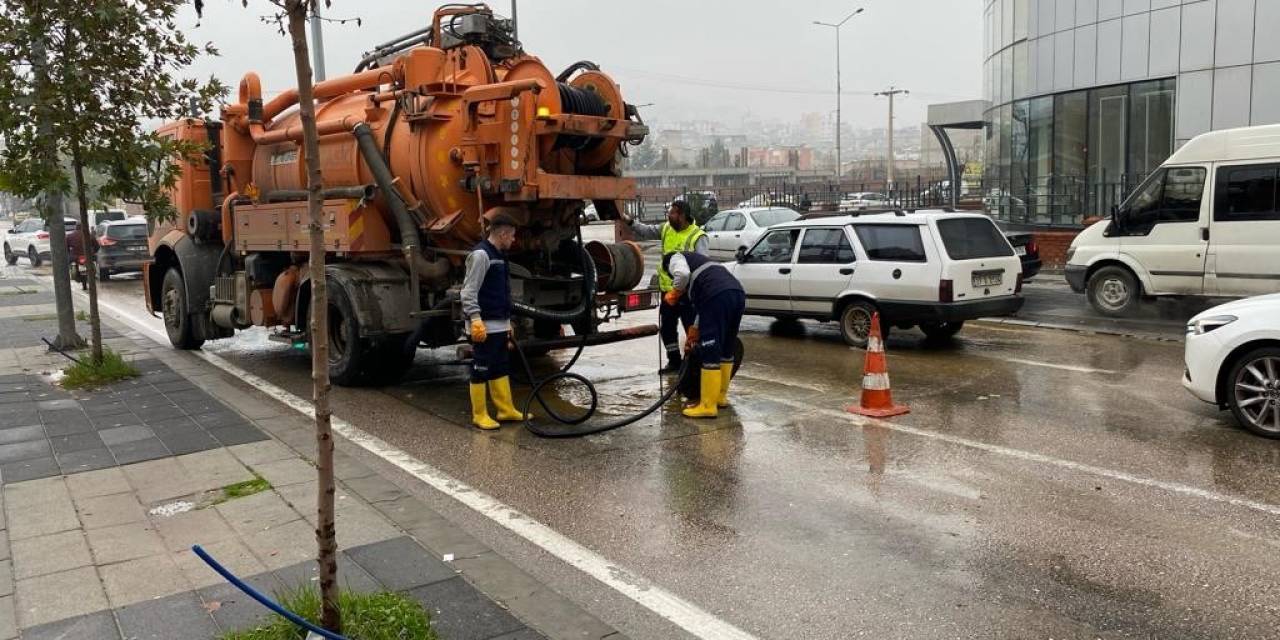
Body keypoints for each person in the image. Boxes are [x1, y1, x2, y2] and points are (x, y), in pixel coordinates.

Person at [461, 213, 530, 430]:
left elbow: (501, 293)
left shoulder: (499, 255)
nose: (513, 240)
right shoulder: (481, 255)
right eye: (512, 236)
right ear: (502, 234)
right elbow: (468, 291)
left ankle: (505, 409)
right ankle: (479, 414)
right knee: (481, 367)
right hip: (483, 325)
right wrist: (475, 319)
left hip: (498, 324)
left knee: (500, 366)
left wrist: (507, 323)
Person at [623, 200, 708, 373]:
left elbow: (702, 265)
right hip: (668, 293)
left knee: (692, 329)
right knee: (667, 328)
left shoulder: (698, 236)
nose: (669, 215)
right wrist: (629, 221)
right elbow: (646, 231)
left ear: (682, 216)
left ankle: (696, 364)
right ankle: (674, 361)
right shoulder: (666, 228)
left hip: (687, 294)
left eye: (673, 213)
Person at [662, 249, 746, 419]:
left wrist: (675, 292)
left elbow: (682, 274)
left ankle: (707, 405)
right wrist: (694, 329)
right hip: (737, 294)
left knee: (710, 350)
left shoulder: (676, 258)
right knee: (726, 348)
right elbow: (704, 307)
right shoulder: (704, 265)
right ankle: (720, 398)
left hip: (716, 296)